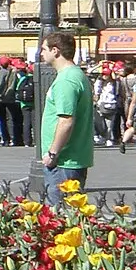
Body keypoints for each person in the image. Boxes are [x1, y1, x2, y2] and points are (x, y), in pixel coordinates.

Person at [38, 31, 96, 204]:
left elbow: (66, 121)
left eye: (44, 49)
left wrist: (53, 152)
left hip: (64, 160)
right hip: (72, 156)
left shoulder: (66, 80)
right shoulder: (76, 75)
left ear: (55, 51)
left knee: (59, 214)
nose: (41, 53)